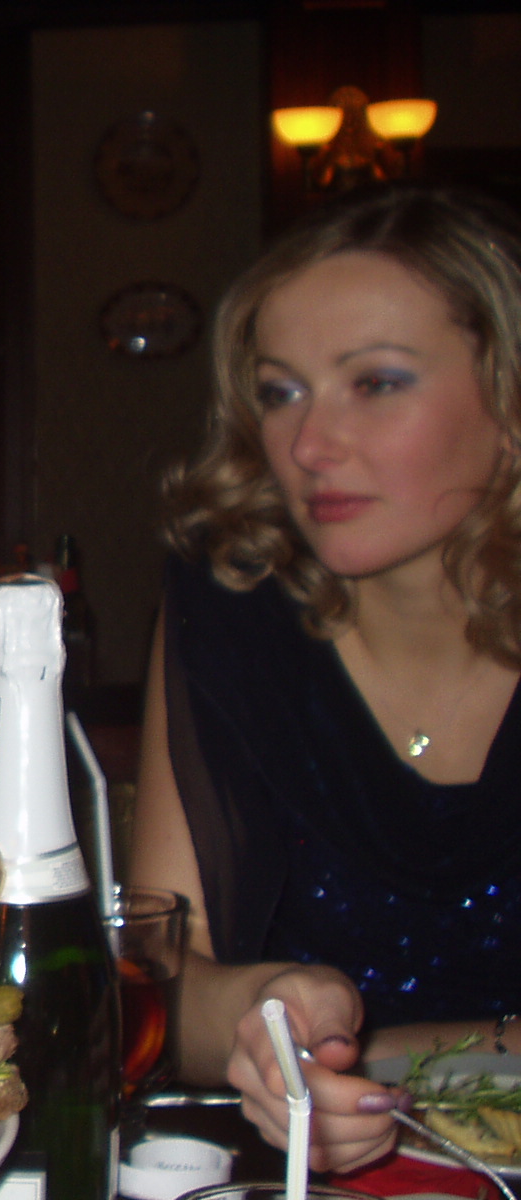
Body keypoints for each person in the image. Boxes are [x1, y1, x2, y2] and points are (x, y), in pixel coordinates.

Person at [129, 182, 521, 1174]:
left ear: (509, 396)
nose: (308, 446)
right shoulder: (227, 607)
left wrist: (385, 1055)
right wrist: (264, 1020)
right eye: (280, 392)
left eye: (375, 382)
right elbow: (159, 976)